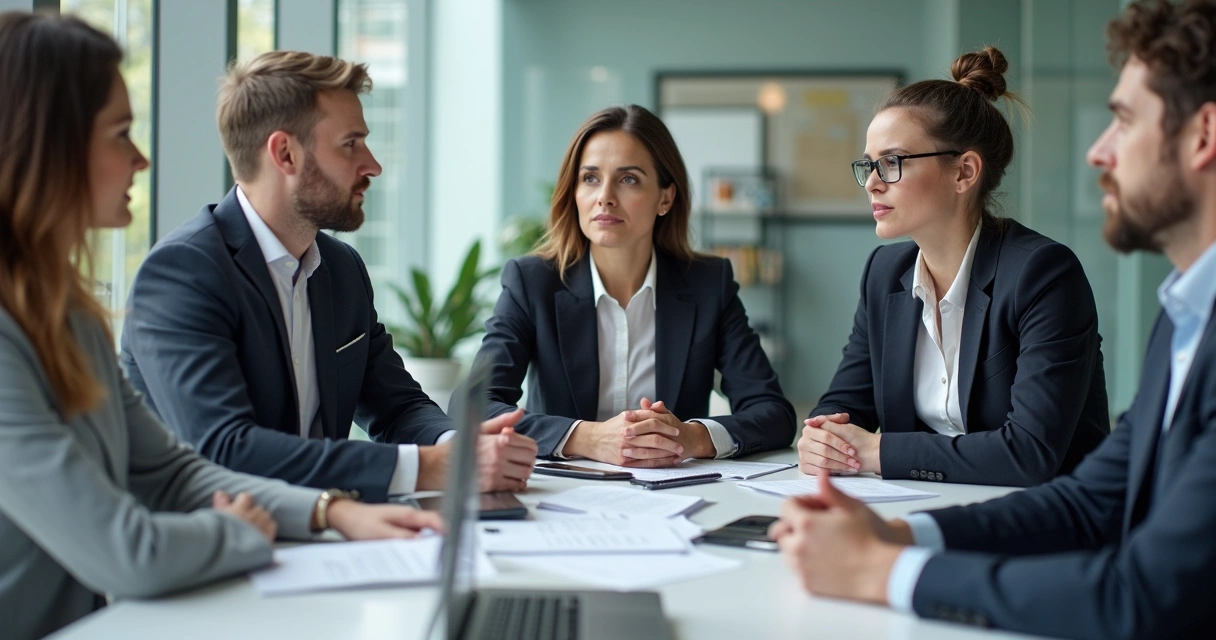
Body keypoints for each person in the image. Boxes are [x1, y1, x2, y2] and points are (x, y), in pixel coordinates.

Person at [770, 1, 1216, 637]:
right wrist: (898, 532)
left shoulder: (1044, 273)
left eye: (1122, 119)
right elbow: (1093, 498)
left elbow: (1137, 592)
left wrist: (883, 568)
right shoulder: (1184, 315)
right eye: (868, 165)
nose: (1097, 150)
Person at [0, 13, 446, 640]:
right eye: (121, 133)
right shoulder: (176, 273)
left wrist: (332, 512)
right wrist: (238, 531)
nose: (142, 159)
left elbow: (171, 472)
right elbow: (129, 551)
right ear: (48, 147)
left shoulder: (65, 313)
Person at [119, 50, 536, 503]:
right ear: (285, 153)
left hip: (324, 535)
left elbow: (397, 406)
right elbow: (225, 448)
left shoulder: (341, 268)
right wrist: (428, 468)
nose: (372, 165)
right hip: (213, 546)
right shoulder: (183, 273)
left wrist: (457, 447)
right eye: (350, 144)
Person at [799, 46, 1109, 487]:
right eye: (869, 165)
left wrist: (877, 450)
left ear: (964, 172)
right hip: (926, 504)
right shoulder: (884, 273)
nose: (871, 182)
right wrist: (821, 437)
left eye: (891, 163)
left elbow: (1029, 453)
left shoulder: (1044, 274)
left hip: (1048, 520)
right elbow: (844, 405)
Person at [471, 105, 795, 466]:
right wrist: (589, 438)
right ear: (574, 191)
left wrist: (690, 437)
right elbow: (475, 405)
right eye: (590, 178)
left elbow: (773, 412)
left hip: (674, 493)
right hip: (561, 494)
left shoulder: (708, 284)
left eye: (628, 179)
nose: (604, 196)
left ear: (665, 198)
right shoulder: (533, 282)